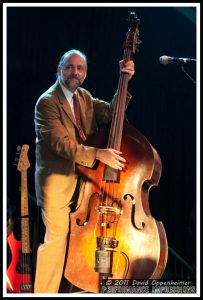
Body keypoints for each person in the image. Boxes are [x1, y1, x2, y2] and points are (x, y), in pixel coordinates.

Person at [34, 49, 135, 293]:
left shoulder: (84, 97)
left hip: (85, 182)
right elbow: (61, 144)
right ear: (59, 70)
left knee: (79, 242)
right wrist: (99, 154)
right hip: (56, 183)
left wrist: (124, 81)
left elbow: (112, 114)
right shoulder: (46, 102)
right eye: (69, 67)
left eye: (80, 68)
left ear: (85, 73)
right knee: (56, 243)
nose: (75, 72)